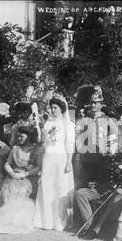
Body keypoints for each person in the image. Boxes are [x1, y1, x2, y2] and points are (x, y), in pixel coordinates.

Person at [75, 134, 122, 240]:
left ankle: (96, 229)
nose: (107, 147)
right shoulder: (103, 160)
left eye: (110, 144)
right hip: (101, 190)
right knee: (80, 193)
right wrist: (92, 183)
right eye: (106, 144)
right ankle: (87, 226)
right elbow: (98, 177)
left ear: (117, 144)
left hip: (118, 192)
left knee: (115, 200)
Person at [34, 96, 75, 231]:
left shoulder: (68, 124)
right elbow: (44, 142)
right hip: (48, 158)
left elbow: (70, 144)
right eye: (51, 107)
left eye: (55, 108)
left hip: (61, 158)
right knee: (47, 186)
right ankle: (46, 220)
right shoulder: (47, 123)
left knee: (60, 187)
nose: (53, 110)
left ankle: (60, 221)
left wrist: (69, 162)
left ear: (62, 108)